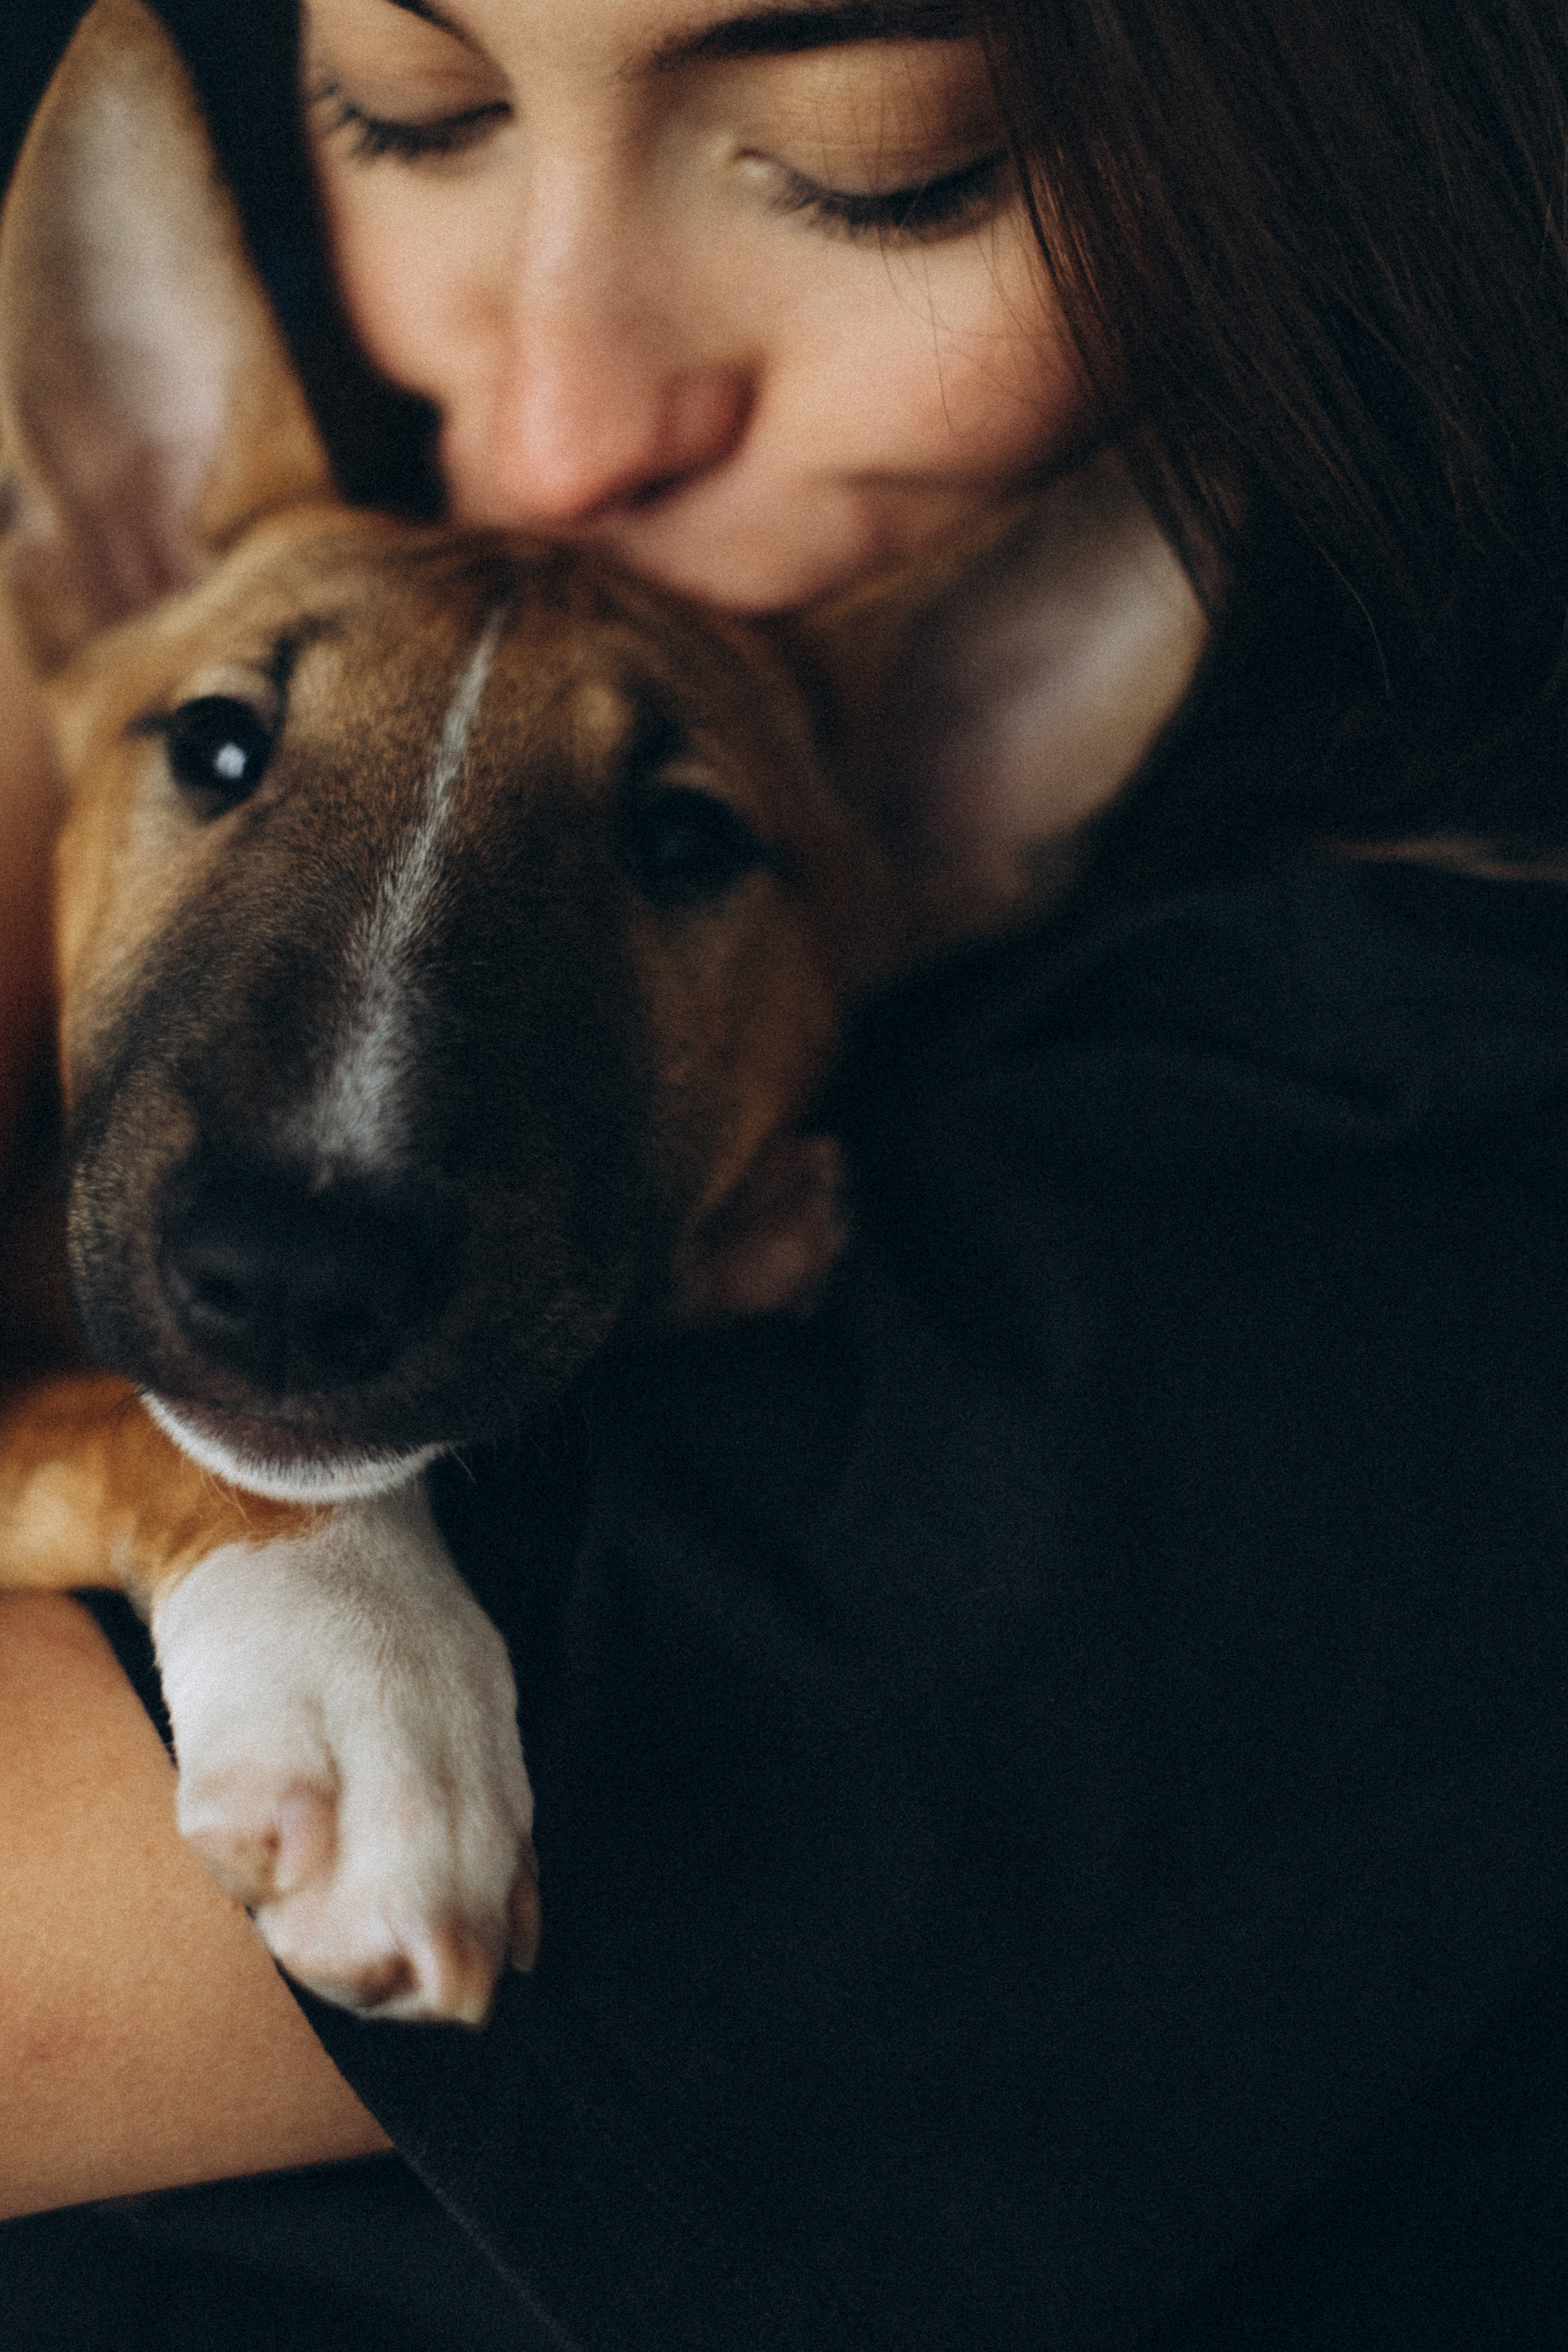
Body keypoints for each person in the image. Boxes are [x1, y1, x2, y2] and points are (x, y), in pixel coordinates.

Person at [4, 1, 1568, 2345]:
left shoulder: (1382, 1176)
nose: (541, 431)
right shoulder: (243, 575)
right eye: (413, 112)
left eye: (880, 164)